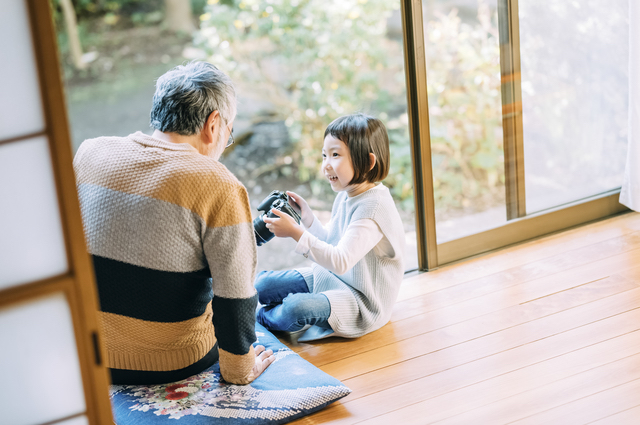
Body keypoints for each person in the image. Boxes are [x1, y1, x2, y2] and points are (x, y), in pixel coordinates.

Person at [73, 61, 275, 385]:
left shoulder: (90, 152)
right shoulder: (217, 183)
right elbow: (235, 294)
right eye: (230, 130)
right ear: (214, 124)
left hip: (85, 350)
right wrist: (240, 369)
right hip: (170, 361)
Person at [255, 113, 405, 340]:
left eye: (335, 155)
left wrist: (297, 234)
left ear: (368, 162)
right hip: (332, 278)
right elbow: (332, 242)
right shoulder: (348, 194)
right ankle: (270, 316)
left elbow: (340, 260)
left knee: (295, 308)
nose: (326, 165)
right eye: (324, 155)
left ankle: (260, 319)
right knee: (263, 285)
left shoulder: (373, 207)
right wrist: (307, 219)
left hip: (360, 300)